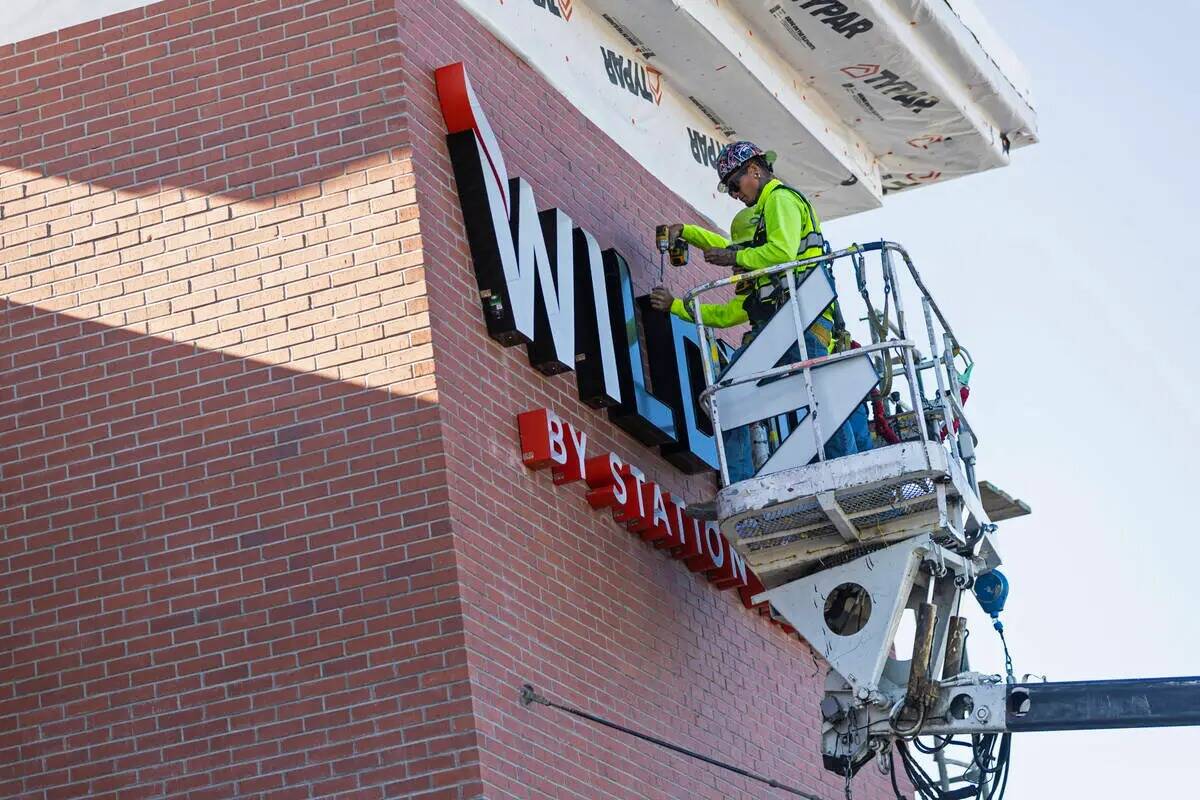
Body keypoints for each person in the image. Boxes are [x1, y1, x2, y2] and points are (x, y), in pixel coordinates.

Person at [653, 141, 870, 499]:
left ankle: (845, 482)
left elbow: (781, 252)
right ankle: (741, 489)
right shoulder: (763, 260)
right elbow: (727, 310)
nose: (735, 194)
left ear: (755, 170)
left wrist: (729, 257)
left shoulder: (780, 199)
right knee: (731, 398)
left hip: (802, 320)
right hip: (780, 323)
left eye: (736, 185)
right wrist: (686, 252)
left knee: (819, 399)